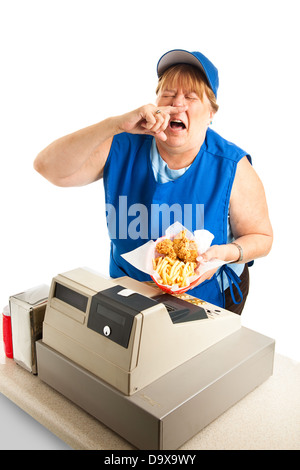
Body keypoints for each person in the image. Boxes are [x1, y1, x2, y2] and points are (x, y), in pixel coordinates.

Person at [34, 49, 273, 314]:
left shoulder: (231, 166)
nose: (177, 103)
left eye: (191, 96)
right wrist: (114, 124)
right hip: (129, 297)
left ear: (211, 113)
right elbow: (47, 167)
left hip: (200, 302)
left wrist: (225, 254)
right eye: (168, 94)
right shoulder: (122, 144)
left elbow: (261, 237)